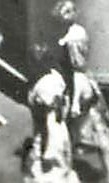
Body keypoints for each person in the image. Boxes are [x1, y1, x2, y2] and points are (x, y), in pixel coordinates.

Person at [52, 2, 109, 183]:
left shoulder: (72, 39)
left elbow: (76, 69)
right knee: (96, 132)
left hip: (78, 87)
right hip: (82, 83)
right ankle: (108, 173)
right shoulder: (77, 31)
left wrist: (73, 102)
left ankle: (67, 172)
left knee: (75, 129)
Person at [25, 46, 77, 183]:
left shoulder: (43, 84)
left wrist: (48, 150)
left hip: (48, 136)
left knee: (49, 174)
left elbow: (49, 122)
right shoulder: (56, 76)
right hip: (61, 131)